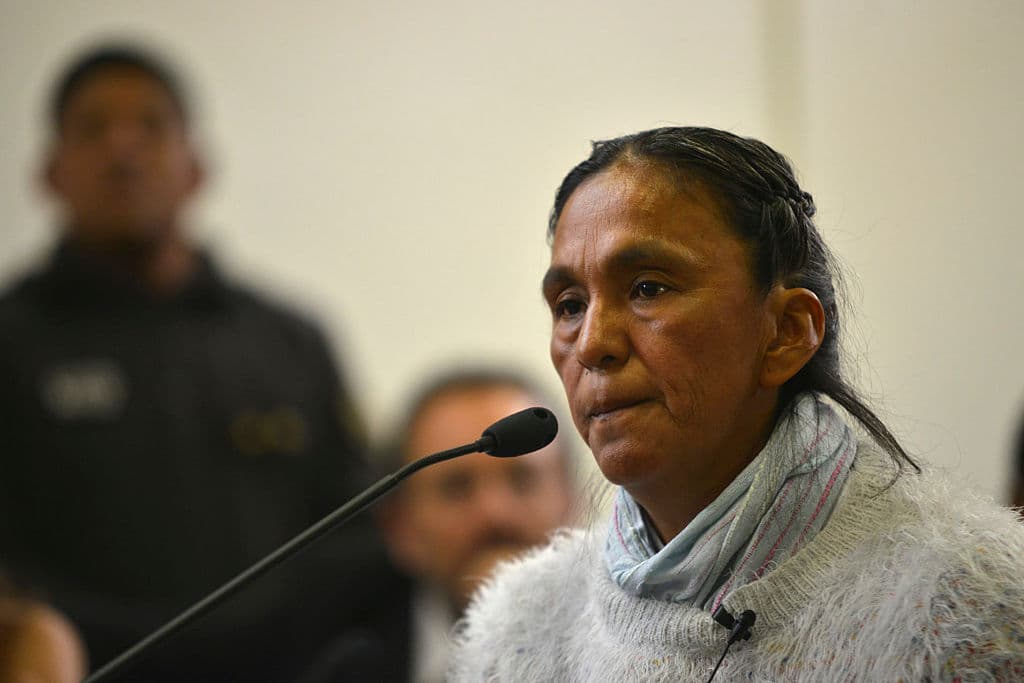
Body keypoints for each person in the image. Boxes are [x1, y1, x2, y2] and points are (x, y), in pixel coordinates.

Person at [449, 127, 1024, 681]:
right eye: (570, 305)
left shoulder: (967, 606)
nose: (593, 344)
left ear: (786, 332)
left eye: (649, 288)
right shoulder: (518, 632)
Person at [0, 44, 396, 681]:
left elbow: (354, 532)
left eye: (151, 126)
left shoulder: (290, 341)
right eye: (94, 128)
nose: (124, 150)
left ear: (197, 169)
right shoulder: (13, 342)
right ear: (49, 173)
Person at [374, 369, 575, 683]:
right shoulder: (336, 659)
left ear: (572, 500)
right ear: (401, 527)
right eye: (457, 487)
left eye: (522, 480)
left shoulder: (636, 648)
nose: (495, 513)